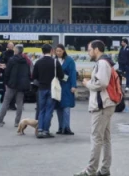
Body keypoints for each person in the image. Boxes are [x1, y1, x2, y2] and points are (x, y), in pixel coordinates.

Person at [74, 40, 116, 176]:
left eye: (89, 49)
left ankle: (90, 170)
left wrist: (87, 84)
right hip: (106, 104)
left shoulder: (102, 63)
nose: (88, 52)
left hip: (101, 105)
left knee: (96, 138)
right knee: (105, 139)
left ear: (96, 49)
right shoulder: (105, 62)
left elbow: (101, 84)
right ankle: (104, 169)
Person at [32, 44, 64, 138]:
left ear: (42, 52)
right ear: (51, 51)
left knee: (41, 110)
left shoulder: (38, 62)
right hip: (52, 89)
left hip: (41, 88)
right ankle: (46, 130)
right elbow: (61, 75)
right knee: (49, 110)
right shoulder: (55, 62)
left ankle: (40, 130)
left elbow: (34, 76)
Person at [0, 44, 30, 127]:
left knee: (6, 102)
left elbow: (7, 72)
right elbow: (28, 73)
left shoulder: (12, 60)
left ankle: (0, 120)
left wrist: (6, 82)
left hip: (11, 84)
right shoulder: (25, 61)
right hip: (21, 85)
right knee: (19, 103)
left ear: (16, 51)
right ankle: (17, 122)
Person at [55, 44, 77, 135]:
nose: (58, 53)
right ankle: (61, 127)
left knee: (66, 107)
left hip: (66, 86)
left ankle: (66, 127)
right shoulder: (54, 60)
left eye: (60, 51)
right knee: (58, 107)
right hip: (57, 86)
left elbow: (73, 73)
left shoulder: (70, 61)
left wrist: (73, 85)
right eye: (57, 51)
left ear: (63, 51)